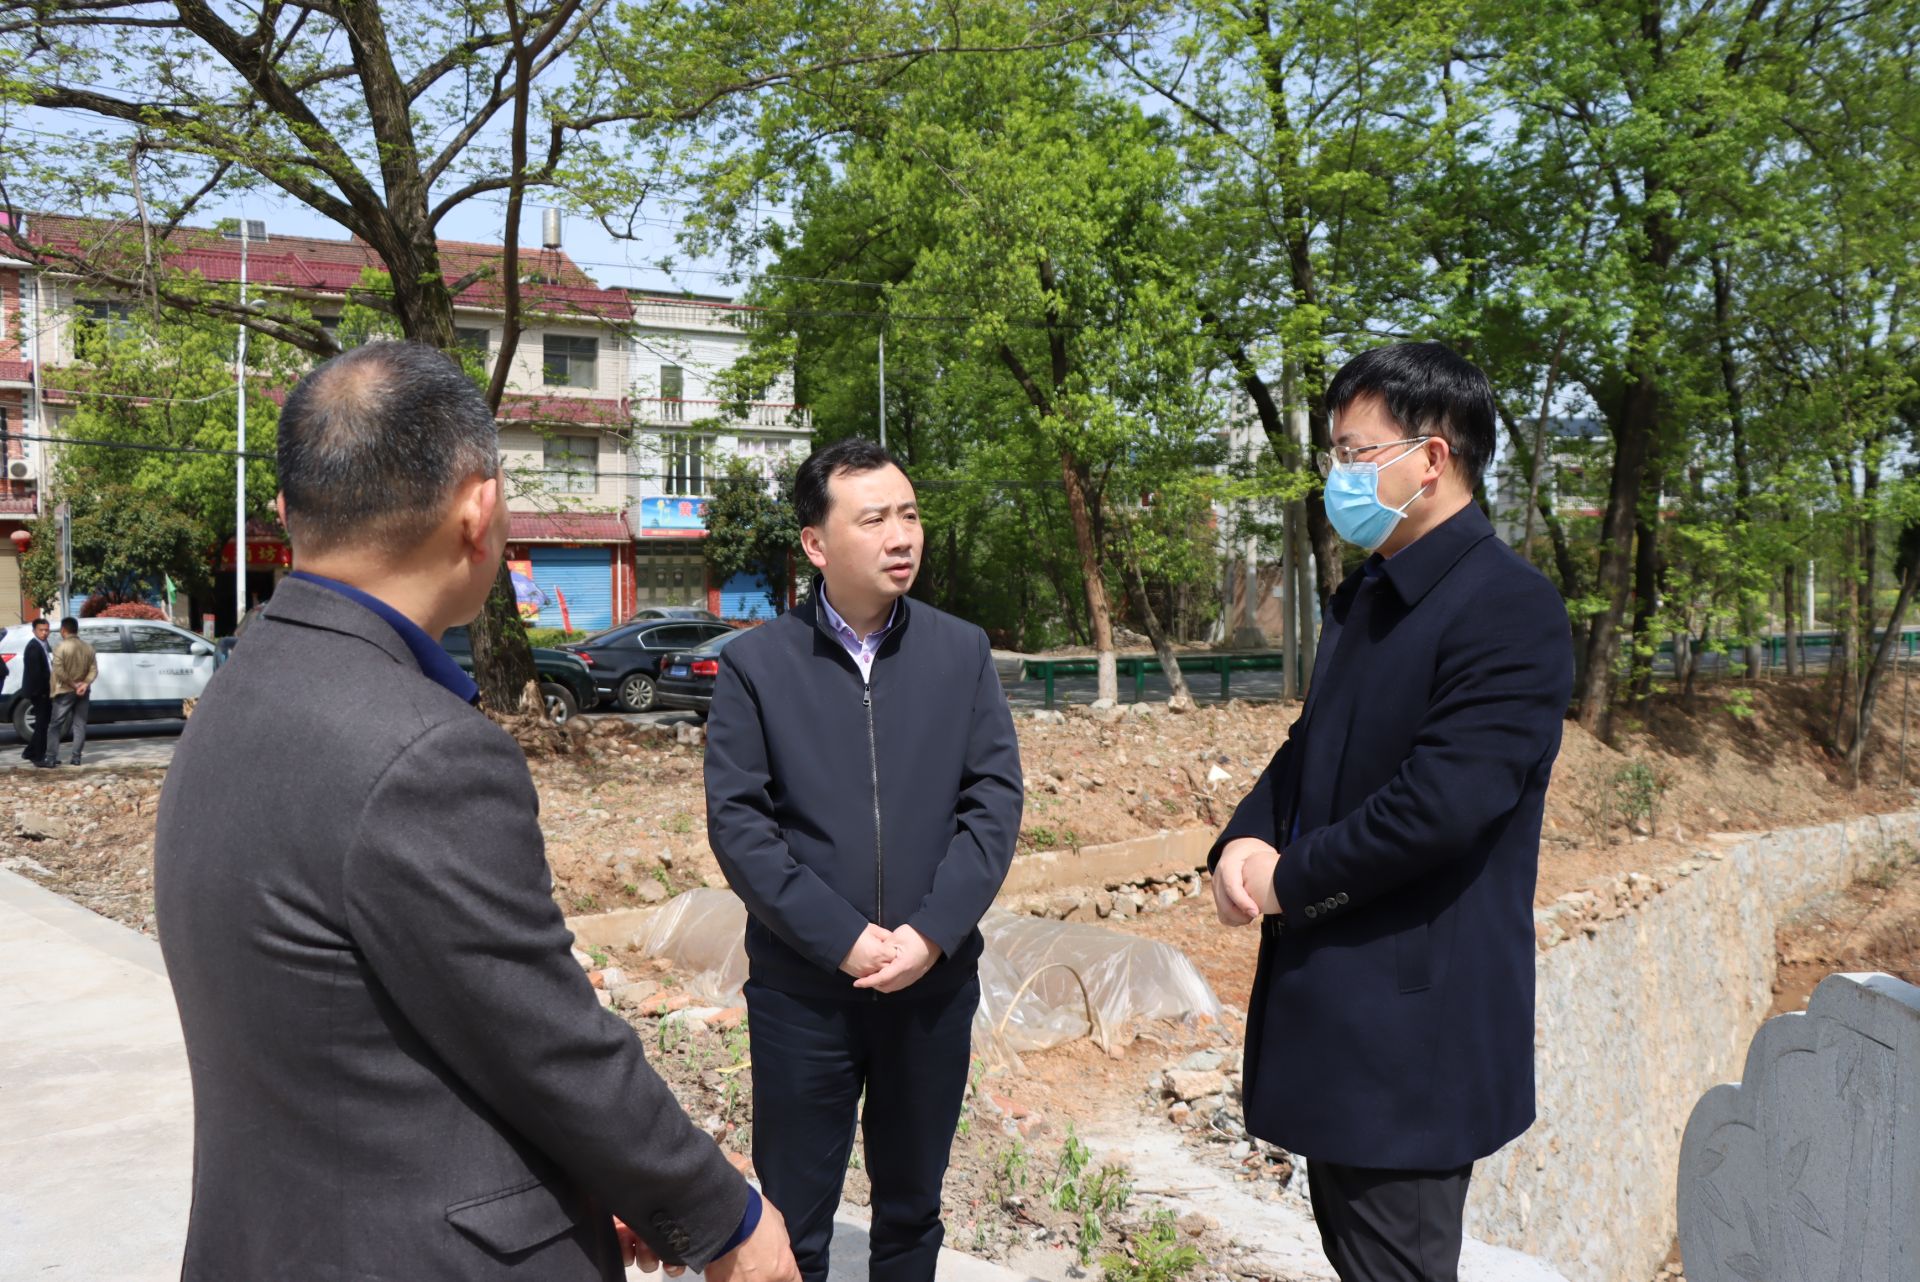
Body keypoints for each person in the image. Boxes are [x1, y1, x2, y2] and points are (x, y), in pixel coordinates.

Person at [154, 342, 798, 1282]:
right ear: (480, 510)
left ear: (288, 512)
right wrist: (723, 1218)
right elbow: (546, 1042)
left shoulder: (241, 691)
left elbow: (403, 1030)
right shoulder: (425, 750)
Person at [1208, 342, 1574, 1282]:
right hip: (1336, 1012)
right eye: (1334, 451)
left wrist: (1288, 880)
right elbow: (1310, 744)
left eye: (1354, 450)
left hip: (1412, 1039)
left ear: (1432, 458)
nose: (1339, 474)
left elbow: (1439, 806)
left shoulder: (1508, 607)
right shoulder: (1369, 597)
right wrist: (1247, 831)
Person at [705, 438, 1024, 1282]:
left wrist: (931, 933)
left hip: (931, 987)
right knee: (793, 1225)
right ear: (817, 543)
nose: (901, 536)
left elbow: (992, 805)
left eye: (910, 515)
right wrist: (843, 938)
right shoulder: (756, 666)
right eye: (875, 518)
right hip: (805, 994)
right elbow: (741, 827)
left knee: (912, 1213)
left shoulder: (962, 653)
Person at [48, 617, 97, 767]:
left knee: (56, 725)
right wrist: (85, 684)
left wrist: (73, 684)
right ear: (77, 630)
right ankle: (76, 757)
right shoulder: (88, 648)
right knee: (80, 725)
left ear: (63, 630)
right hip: (83, 691)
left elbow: (59, 670)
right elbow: (94, 670)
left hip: (64, 690)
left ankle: (51, 757)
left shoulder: (60, 648)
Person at [18, 616, 52, 767]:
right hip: (40, 692)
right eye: (41, 630)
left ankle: (30, 751)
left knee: (42, 724)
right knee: (41, 725)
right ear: (34, 631)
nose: (44, 633)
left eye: (46, 630)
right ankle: (38, 757)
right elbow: (36, 674)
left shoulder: (43, 644)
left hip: (43, 691)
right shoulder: (33, 647)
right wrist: (43, 692)